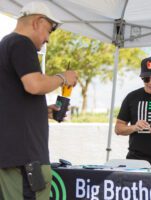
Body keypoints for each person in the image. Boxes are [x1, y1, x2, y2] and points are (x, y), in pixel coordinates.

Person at [0, 2, 77, 199]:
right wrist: (63, 78)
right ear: (37, 22)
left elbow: (12, 102)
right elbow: (34, 85)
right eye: (49, 30)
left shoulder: (6, 45)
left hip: (13, 156)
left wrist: (43, 111)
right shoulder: (21, 43)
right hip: (26, 158)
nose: (48, 39)